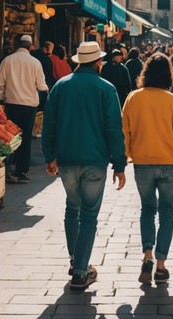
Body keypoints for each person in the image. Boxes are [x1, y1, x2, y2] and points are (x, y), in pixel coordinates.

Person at [42, 41, 127, 291]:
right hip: (95, 160)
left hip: (66, 159)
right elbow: (114, 129)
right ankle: (80, 271)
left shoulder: (60, 86)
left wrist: (49, 156)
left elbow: (49, 124)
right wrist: (119, 163)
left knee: (72, 209)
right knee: (89, 215)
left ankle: (75, 260)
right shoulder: (106, 88)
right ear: (98, 63)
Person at [122, 53, 173, 285]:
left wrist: (121, 161)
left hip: (142, 163)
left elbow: (124, 132)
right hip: (169, 165)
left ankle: (147, 254)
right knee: (167, 212)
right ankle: (160, 265)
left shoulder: (133, 98)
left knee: (147, 209)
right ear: (169, 74)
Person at [0, 34, 48, 183]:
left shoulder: (8, 60)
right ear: (30, 46)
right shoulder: (35, 63)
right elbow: (41, 85)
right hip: (28, 105)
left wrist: (2, 97)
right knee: (25, 138)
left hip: (12, 103)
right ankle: (21, 170)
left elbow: (0, 83)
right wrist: (46, 88)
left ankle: (8, 167)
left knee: (11, 136)